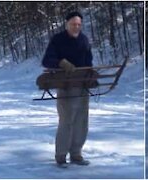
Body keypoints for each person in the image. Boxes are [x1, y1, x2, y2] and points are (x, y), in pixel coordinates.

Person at [42, 11, 92, 166]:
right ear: (66, 24)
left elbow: (89, 61)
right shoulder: (58, 40)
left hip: (82, 85)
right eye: (73, 24)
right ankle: (61, 155)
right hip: (66, 86)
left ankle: (76, 154)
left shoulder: (84, 40)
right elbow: (47, 60)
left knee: (81, 121)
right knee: (67, 121)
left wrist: (90, 75)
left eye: (78, 24)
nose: (76, 27)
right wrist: (61, 63)